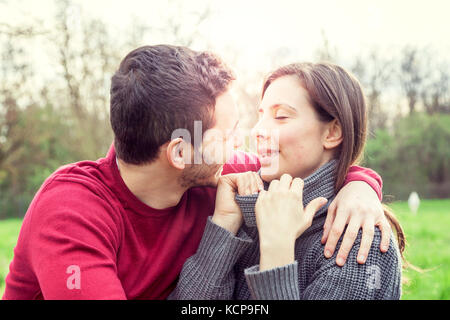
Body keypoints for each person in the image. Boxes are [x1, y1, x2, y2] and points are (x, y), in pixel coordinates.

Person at [3, 46, 388, 300]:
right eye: (229, 134)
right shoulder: (71, 212)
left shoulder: (217, 175)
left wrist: (359, 187)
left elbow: (316, 166)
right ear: (180, 152)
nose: (247, 142)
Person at [169, 62, 404, 300]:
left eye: (281, 116)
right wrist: (224, 227)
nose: (258, 131)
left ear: (332, 133)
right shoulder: (245, 206)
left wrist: (277, 251)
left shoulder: (360, 241)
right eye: (260, 116)